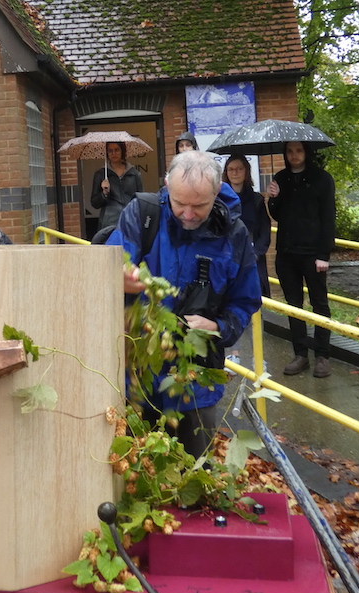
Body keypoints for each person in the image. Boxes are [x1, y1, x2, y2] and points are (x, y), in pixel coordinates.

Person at [107, 150, 261, 459]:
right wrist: (115, 278)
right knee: (135, 470)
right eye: (180, 204)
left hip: (197, 383)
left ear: (216, 191)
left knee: (193, 471)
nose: (188, 214)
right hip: (136, 377)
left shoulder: (235, 234)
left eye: (199, 206)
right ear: (167, 186)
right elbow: (105, 265)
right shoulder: (142, 214)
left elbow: (246, 300)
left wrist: (217, 327)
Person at [267, 141, 335, 378]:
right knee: (293, 306)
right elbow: (276, 214)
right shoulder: (281, 178)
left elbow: (328, 218)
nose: (294, 155)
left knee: (319, 305)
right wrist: (273, 198)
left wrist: (323, 254)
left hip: (313, 254)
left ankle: (323, 356)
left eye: (298, 150)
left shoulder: (322, 179)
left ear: (306, 152)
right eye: (289, 151)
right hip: (286, 254)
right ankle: (300, 354)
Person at [223, 154, 271, 297]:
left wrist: (256, 253)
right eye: (231, 169)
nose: (235, 172)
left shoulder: (257, 200)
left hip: (253, 259)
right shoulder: (220, 200)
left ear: (246, 171)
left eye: (239, 168)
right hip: (228, 259)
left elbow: (265, 231)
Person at [90, 141, 143, 233]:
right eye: (110, 151)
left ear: (122, 151)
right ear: (107, 153)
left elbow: (140, 199)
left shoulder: (134, 173)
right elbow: (95, 203)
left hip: (130, 220)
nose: (113, 153)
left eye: (117, 150)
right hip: (109, 223)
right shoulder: (101, 174)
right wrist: (104, 193)